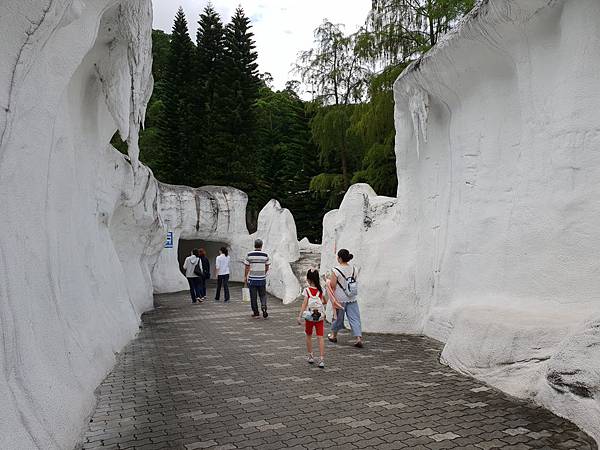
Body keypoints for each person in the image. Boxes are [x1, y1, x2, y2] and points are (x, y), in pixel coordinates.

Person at [327, 249, 363, 348]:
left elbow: (333, 285)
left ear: (340, 258)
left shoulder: (335, 270)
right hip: (352, 296)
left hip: (340, 298)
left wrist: (327, 280)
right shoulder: (354, 269)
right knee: (355, 317)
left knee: (338, 317)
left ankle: (334, 336)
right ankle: (358, 338)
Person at [297, 269, 327, 368]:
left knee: (309, 335)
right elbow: (324, 301)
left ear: (308, 279)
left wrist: (300, 316)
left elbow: (304, 303)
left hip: (309, 317)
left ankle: (310, 356)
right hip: (319, 317)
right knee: (320, 337)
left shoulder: (307, 290)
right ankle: (322, 359)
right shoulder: (321, 289)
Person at [244, 239, 270, 318]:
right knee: (263, 295)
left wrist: (245, 277)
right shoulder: (265, 255)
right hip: (262, 279)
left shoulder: (249, 255)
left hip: (252, 280)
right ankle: (264, 306)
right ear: (261, 245)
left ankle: (256, 313)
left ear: (254, 245)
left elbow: (247, 267)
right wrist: (263, 273)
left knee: (253, 297)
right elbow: (267, 267)